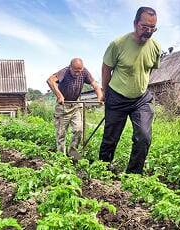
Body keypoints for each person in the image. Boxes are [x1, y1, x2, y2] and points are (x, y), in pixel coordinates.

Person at [99, 7, 161, 174]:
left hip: (141, 99)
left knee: (144, 137)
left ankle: (133, 176)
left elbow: (150, 69)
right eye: (144, 27)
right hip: (117, 97)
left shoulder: (155, 47)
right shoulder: (118, 44)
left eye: (152, 28)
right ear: (135, 24)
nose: (148, 32)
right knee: (110, 139)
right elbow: (106, 68)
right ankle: (102, 171)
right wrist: (105, 92)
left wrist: (140, 84)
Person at [47, 58, 102, 156]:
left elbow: (95, 85)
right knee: (61, 133)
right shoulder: (64, 71)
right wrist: (59, 95)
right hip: (63, 106)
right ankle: (61, 157)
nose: (78, 74)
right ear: (70, 68)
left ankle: (72, 153)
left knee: (79, 129)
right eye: (75, 71)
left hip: (76, 105)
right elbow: (50, 80)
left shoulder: (84, 72)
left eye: (79, 71)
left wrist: (99, 97)